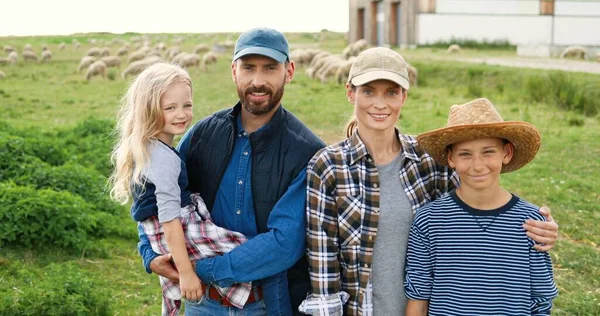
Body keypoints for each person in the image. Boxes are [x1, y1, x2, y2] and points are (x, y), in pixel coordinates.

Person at [298, 47, 559, 316]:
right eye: (368, 91)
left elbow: (479, 191)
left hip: (429, 307)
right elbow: (323, 264)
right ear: (350, 93)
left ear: (404, 97)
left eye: (391, 92)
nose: (380, 103)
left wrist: (536, 224)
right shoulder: (328, 167)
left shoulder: (427, 161)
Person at [136, 27, 326, 315]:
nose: (258, 81)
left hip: (264, 304)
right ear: (233, 71)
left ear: (289, 71)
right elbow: (158, 196)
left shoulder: (307, 152)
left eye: (270, 68)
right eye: (248, 68)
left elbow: (284, 243)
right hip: (202, 303)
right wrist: (150, 255)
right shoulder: (202, 135)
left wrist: (199, 269)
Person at [109, 63, 260, 315]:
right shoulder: (164, 159)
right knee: (245, 248)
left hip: (161, 231)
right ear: (148, 110)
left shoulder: (146, 147)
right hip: (176, 229)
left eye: (186, 105)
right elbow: (169, 219)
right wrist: (187, 273)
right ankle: (240, 300)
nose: (181, 114)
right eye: (170, 108)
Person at [404, 98, 558, 315]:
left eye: (488, 152)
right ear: (451, 158)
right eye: (465, 154)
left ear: (507, 153)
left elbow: (541, 301)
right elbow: (418, 298)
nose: (477, 166)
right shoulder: (429, 220)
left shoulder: (532, 223)